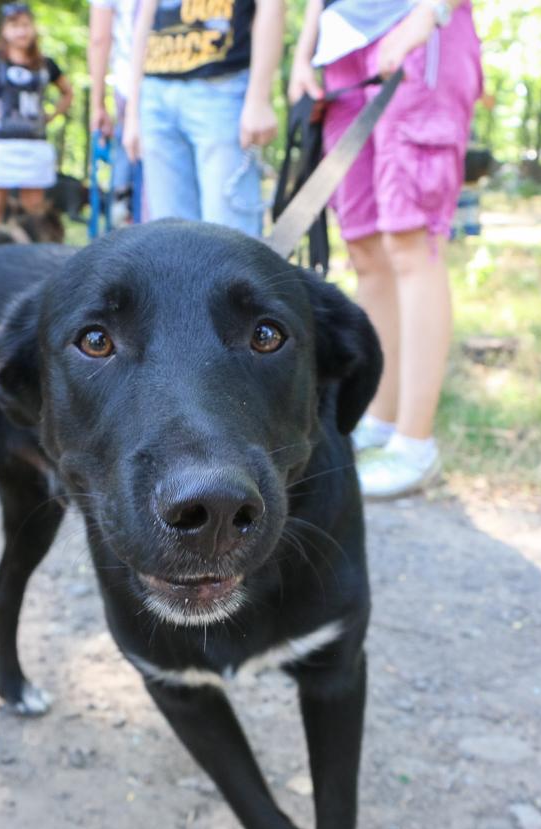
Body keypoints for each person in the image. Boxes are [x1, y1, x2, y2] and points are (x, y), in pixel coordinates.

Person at [289, 0, 481, 499]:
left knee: (410, 242)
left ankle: (415, 444)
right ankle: (378, 418)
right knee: (365, 250)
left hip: (416, 30)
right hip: (341, 46)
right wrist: (303, 55)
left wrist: (427, 15)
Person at [122, 0, 283, 237]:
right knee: (168, 237)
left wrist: (259, 98)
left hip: (222, 88)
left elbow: (272, 6)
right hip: (155, 92)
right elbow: (143, 19)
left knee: (230, 235)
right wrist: (132, 113)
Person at [0, 3, 72, 235]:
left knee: (34, 208)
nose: (22, 31)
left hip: (34, 143)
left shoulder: (46, 64)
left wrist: (51, 115)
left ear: (33, 28)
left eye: (26, 25)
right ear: (5, 30)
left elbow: (67, 92)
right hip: (0, 143)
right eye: (15, 26)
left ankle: (33, 256)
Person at [88, 0, 140, 224]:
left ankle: (124, 225)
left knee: (128, 164)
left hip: (128, 88)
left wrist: (98, 104)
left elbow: (99, 39)